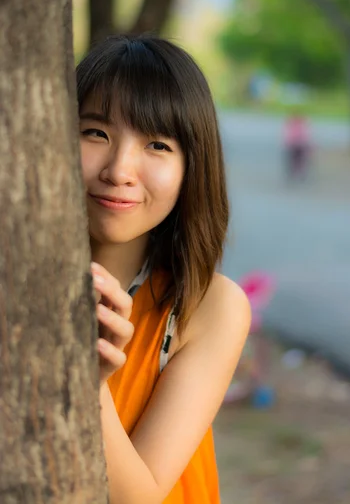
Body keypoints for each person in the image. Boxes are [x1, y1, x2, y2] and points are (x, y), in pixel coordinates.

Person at [76, 35, 251, 504]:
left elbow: (139, 498)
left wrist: (87, 382)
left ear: (192, 166)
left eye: (156, 144)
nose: (119, 169)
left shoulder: (209, 306)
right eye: (96, 133)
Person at [282, 114, 312, 180]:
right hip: (294, 145)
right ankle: (295, 173)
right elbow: (287, 135)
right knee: (295, 160)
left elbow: (306, 136)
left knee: (299, 160)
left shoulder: (302, 124)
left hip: (299, 145)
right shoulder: (292, 124)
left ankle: (299, 173)